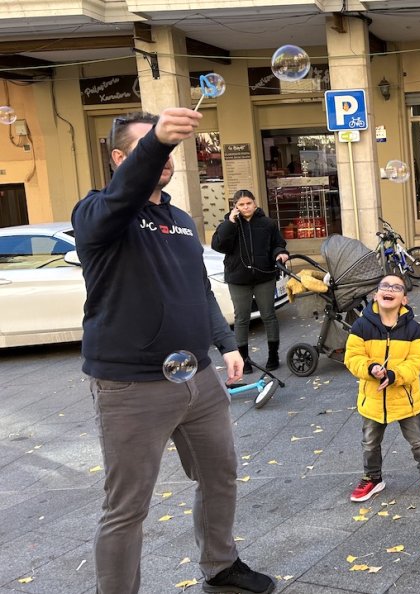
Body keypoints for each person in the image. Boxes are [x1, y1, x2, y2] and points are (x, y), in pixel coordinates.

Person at [71, 109, 274, 594]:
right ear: (121, 157)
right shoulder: (99, 213)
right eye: (147, 148)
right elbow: (123, 194)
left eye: (164, 149)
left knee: (220, 475)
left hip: (197, 379)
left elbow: (198, 287)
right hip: (130, 386)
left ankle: (221, 566)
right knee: (127, 506)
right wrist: (157, 141)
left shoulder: (180, 220)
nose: (161, 158)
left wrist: (226, 344)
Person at [343, 274, 420, 503]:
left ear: (404, 299)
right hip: (373, 397)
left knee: (419, 441)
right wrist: (370, 368)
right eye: (385, 286)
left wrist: (394, 375)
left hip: (405, 398)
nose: (389, 289)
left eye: (396, 287)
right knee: (370, 442)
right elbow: (352, 357)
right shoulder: (361, 326)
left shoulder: (414, 329)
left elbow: (416, 362)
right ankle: (372, 478)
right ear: (375, 294)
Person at [211, 189, 289, 372]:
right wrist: (230, 223)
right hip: (238, 279)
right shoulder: (229, 225)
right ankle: (244, 359)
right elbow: (218, 245)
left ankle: (273, 355)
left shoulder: (267, 223)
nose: (246, 207)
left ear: (255, 203)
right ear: (235, 207)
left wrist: (281, 253)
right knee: (241, 319)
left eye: (248, 203)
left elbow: (278, 244)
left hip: (264, 276)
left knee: (268, 315)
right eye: (241, 204)